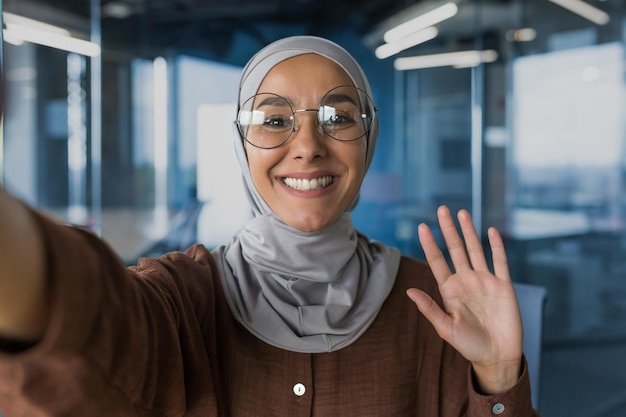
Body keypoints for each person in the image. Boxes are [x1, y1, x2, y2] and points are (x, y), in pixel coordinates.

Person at [0, 35, 540, 416]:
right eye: (274, 120)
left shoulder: (437, 306)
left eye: (339, 117)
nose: (307, 147)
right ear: (240, 144)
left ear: (369, 137)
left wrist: (496, 375)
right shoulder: (181, 299)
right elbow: (83, 324)